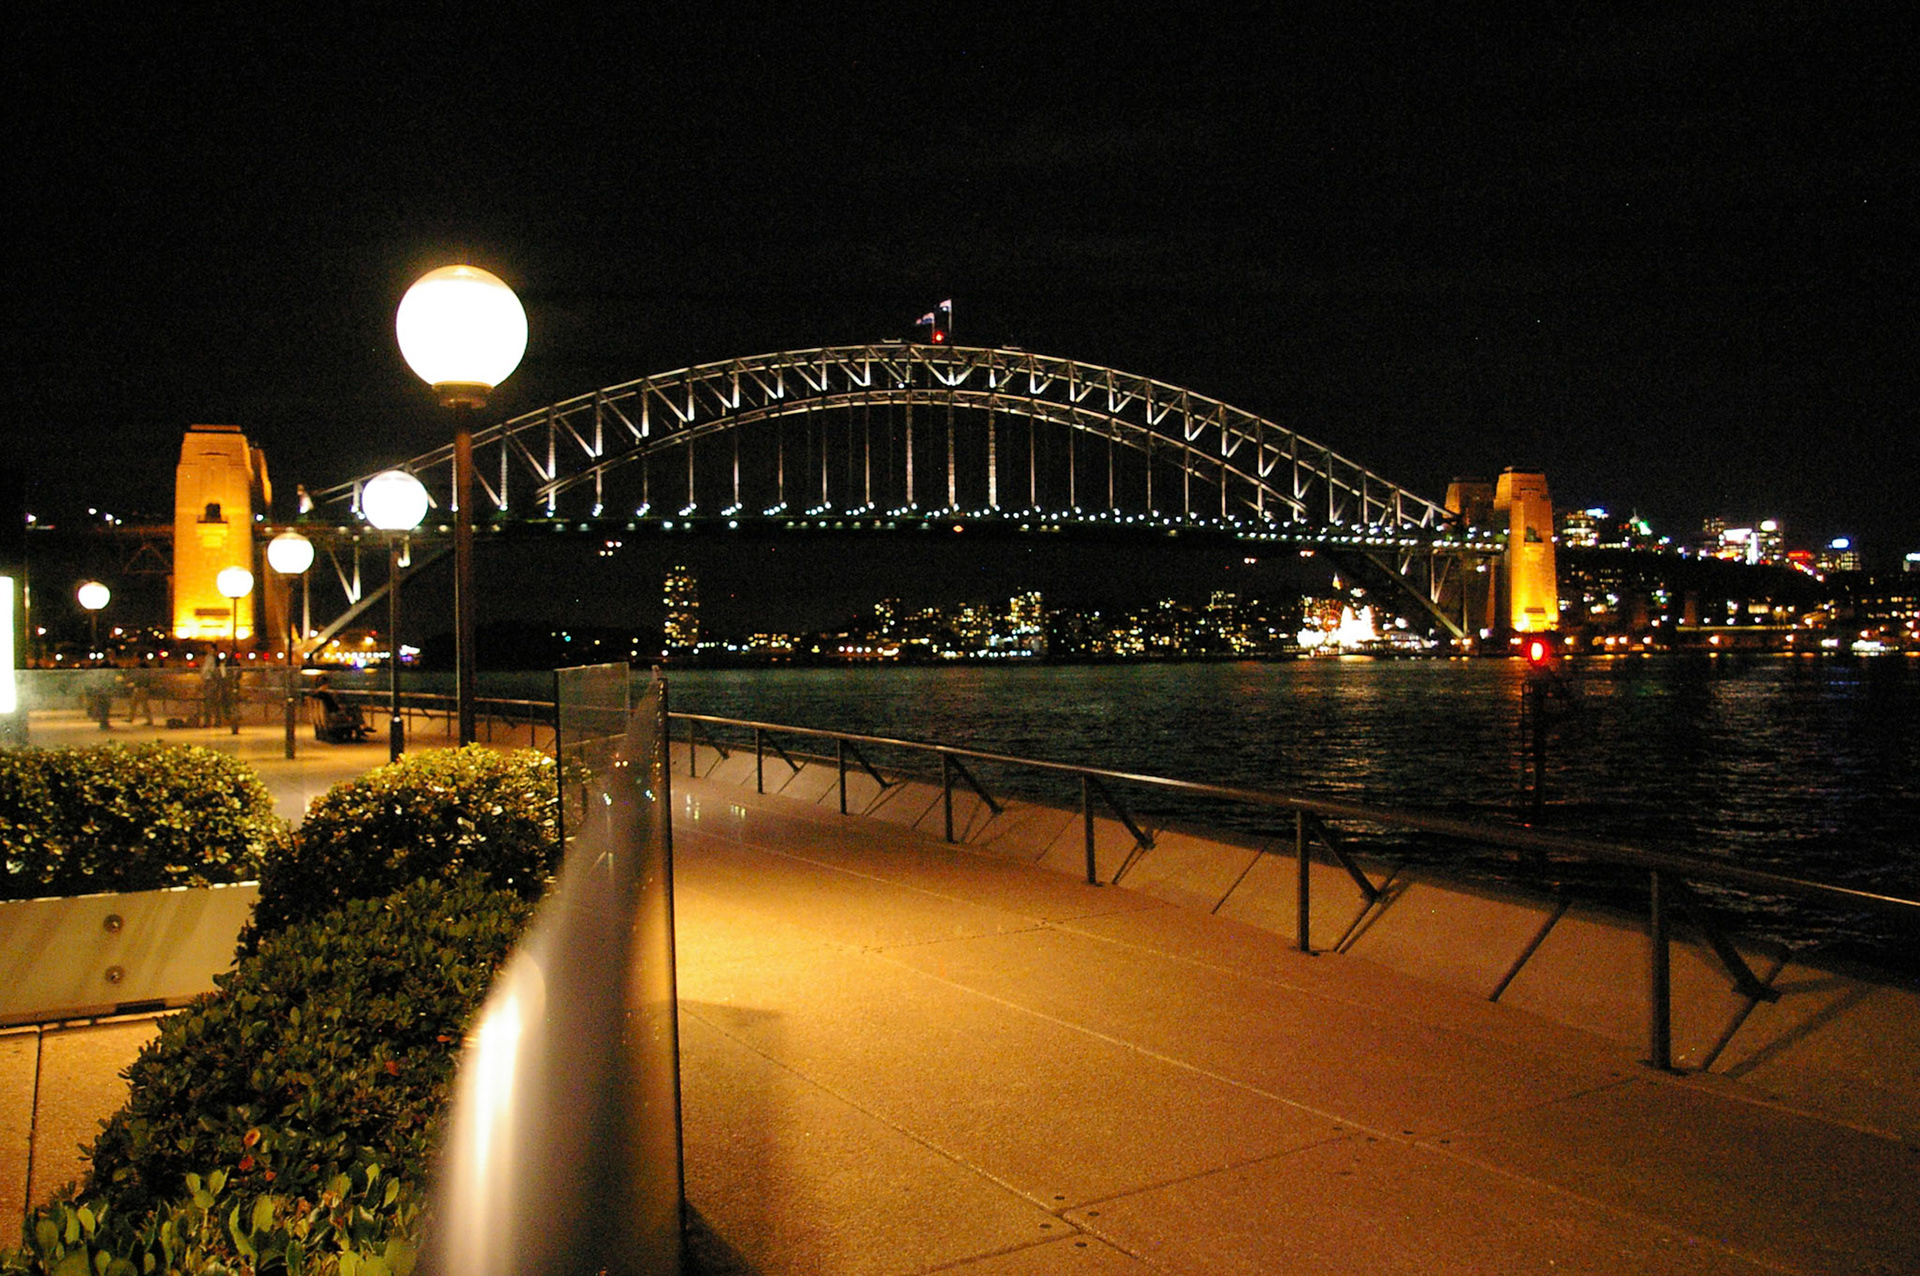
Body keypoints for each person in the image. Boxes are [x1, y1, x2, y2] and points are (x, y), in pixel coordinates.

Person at [310, 675, 371, 742]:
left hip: (332, 713)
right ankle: (362, 728)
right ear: (326, 684)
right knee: (355, 710)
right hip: (335, 714)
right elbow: (334, 706)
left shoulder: (318, 694)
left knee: (354, 710)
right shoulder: (325, 694)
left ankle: (361, 729)